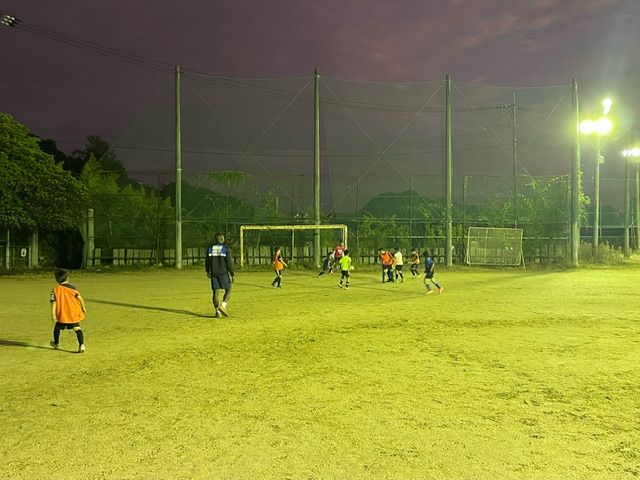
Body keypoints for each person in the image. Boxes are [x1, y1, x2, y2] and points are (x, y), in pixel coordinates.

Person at [50, 268, 86, 353]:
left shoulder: (55, 290)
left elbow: (53, 302)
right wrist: (83, 307)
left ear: (56, 279)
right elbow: (80, 298)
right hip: (73, 313)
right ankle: (82, 345)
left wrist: (53, 314)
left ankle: (56, 343)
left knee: (57, 328)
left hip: (63, 313)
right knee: (77, 328)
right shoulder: (73, 288)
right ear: (67, 278)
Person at [206, 233, 235, 317]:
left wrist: (208, 271)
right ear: (222, 238)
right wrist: (232, 274)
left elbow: (207, 261)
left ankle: (217, 312)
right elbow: (229, 263)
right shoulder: (225, 249)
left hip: (214, 273)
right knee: (228, 289)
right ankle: (223, 306)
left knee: (215, 292)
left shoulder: (210, 249)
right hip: (223, 273)